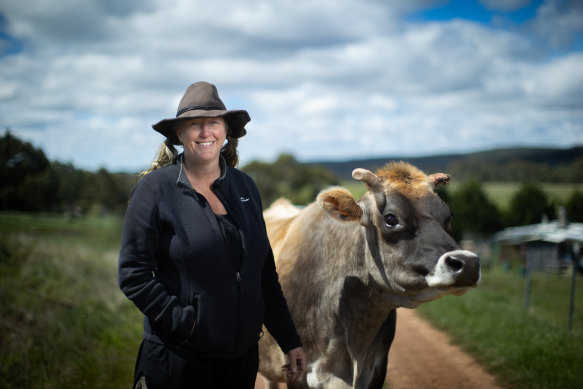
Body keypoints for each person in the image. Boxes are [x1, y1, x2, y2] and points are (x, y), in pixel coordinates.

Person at [118, 81, 305, 388]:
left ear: (226, 131)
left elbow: (264, 275)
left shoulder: (246, 187)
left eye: (213, 123)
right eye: (195, 125)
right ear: (179, 134)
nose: (205, 133)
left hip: (240, 361)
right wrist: (184, 324)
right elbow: (132, 273)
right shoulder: (155, 189)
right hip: (179, 359)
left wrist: (289, 340)